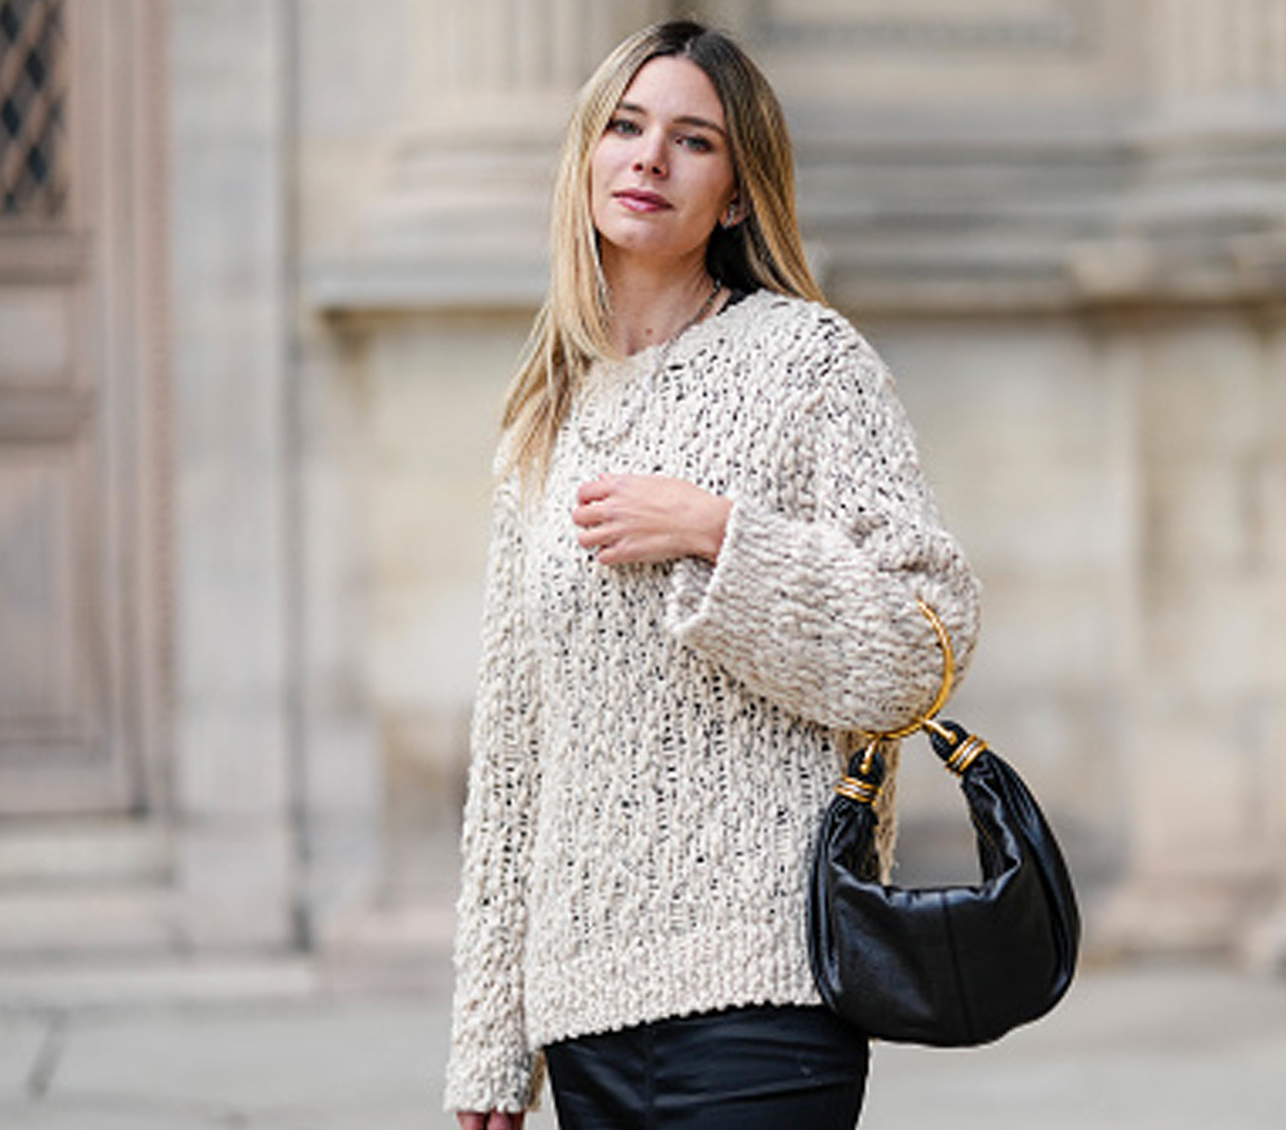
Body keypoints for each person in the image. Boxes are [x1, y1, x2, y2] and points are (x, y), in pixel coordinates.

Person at [444, 19, 980, 1130]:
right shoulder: (544, 420)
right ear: (587, 155)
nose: (648, 158)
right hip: (582, 1006)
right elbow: (511, 756)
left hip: (768, 992)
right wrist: (490, 1047)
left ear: (735, 196)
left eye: (692, 141)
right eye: (626, 127)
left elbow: (923, 640)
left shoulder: (808, 363)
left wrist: (718, 534)